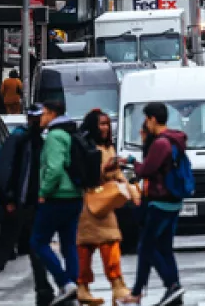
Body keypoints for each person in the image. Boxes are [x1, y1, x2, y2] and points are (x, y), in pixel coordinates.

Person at [0, 104, 54, 306]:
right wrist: (10, 199)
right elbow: (5, 172)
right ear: (33, 119)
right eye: (41, 117)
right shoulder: (20, 139)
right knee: (7, 249)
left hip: (27, 204)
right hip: (18, 205)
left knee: (30, 247)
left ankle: (44, 291)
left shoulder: (33, 140)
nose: (44, 121)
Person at [120, 102, 187, 306]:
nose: (145, 124)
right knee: (164, 248)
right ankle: (173, 292)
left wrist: (130, 160)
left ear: (152, 119)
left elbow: (146, 170)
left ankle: (168, 286)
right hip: (172, 201)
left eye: (146, 119)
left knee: (146, 246)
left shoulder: (161, 143)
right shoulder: (174, 139)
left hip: (160, 202)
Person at [31, 99, 84, 306]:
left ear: (52, 114)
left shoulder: (54, 136)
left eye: (43, 113)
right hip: (75, 196)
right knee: (68, 243)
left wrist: (43, 191)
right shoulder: (71, 132)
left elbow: (54, 168)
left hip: (57, 197)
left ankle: (64, 281)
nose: (41, 118)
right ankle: (72, 284)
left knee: (38, 241)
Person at [77, 109, 131, 306]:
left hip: (106, 203)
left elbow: (115, 173)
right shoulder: (87, 147)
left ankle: (117, 284)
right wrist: (105, 169)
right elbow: (90, 175)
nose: (106, 128)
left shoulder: (108, 147)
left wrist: (127, 186)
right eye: (102, 124)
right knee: (86, 246)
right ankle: (83, 286)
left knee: (110, 241)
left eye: (107, 124)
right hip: (91, 203)